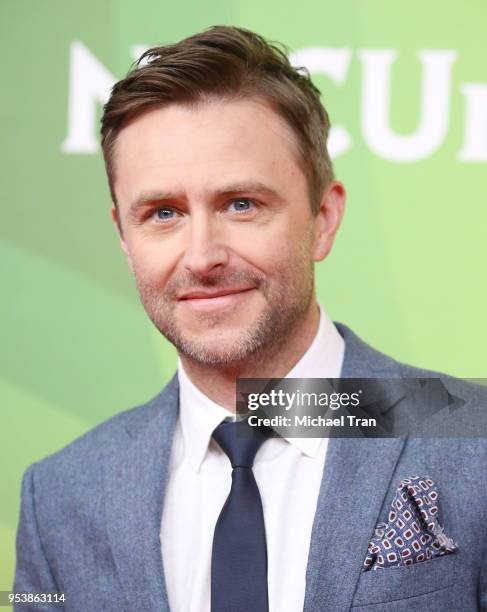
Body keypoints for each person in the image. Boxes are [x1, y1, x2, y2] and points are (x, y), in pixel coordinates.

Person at [13, 25, 487, 612]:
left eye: (241, 204)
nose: (202, 256)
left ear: (323, 217)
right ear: (123, 236)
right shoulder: (59, 495)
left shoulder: (473, 438)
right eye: (163, 213)